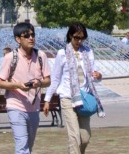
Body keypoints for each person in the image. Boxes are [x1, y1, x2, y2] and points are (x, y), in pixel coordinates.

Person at [44, 22, 104, 154]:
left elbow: (94, 74)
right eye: (76, 37)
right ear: (70, 35)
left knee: (85, 138)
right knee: (74, 137)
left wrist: (98, 75)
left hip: (84, 97)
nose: (79, 41)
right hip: (67, 97)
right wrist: (47, 99)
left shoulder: (88, 52)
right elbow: (55, 78)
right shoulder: (62, 53)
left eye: (82, 38)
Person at [0, 21, 50, 154]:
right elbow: (0, 82)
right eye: (26, 36)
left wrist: (39, 83)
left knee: (29, 145)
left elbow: (48, 81)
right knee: (22, 146)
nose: (31, 38)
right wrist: (18, 85)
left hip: (34, 107)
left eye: (32, 35)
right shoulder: (10, 57)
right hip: (15, 105)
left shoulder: (41, 56)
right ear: (18, 39)